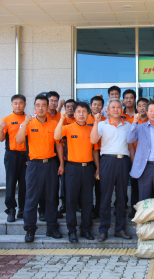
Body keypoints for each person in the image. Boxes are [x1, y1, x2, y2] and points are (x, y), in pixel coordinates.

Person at [16, 94, 64, 243]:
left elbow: (58, 144)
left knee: (51, 197)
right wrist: (25, 123)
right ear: (34, 107)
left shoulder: (53, 123)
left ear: (48, 106)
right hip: (34, 165)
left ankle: (51, 227)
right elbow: (19, 140)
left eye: (44, 105)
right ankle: (30, 229)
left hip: (50, 164)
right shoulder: (28, 123)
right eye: (38, 105)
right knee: (32, 198)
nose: (41, 107)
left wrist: (61, 163)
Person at [91, 98, 135, 242]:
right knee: (105, 196)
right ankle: (103, 230)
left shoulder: (128, 125)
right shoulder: (102, 124)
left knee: (122, 197)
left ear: (122, 110)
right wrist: (96, 122)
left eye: (118, 107)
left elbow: (131, 146)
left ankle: (119, 229)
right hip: (107, 161)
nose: (116, 109)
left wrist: (133, 165)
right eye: (113, 107)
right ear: (107, 110)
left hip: (123, 161)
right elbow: (93, 140)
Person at [54, 102, 99, 243]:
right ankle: (72, 231)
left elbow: (95, 150)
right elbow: (56, 137)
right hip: (72, 168)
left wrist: (97, 167)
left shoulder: (92, 129)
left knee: (87, 201)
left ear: (87, 113)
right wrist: (61, 118)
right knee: (71, 200)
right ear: (74, 113)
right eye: (78, 111)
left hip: (88, 168)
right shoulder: (68, 128)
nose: (81, 114)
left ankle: (86, 229)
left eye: (84, 111)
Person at [0, 94, 28, 222]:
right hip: (12, 155)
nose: (18, 105)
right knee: (10, 182)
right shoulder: (7, 119)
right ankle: (11, 209)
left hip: (26, 155)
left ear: (25, 104)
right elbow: (0, 138)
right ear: (12, 105)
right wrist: (1, 128)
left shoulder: (29, 119)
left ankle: (23, 209)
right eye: (15, 103)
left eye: (20, 103)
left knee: (24, 183)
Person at [127, 97, 149, 219]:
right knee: (135, 186)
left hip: (149, 160)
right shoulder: (133, 121)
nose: (142, 108)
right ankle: (134, 209)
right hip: (135, 158)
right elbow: (130, 144)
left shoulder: (152, 121)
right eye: (139, 105)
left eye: (144, 105)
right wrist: (134, 161)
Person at [87, 95, 106, 219]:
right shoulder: (84, 119)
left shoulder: (106, 120)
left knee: (100, 185)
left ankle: (99, 209)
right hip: (87, 155)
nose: (96, 107)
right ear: (90, 106)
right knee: (87, 185)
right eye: (94, 104)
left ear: (102, 107)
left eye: (99, 105)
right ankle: (88, 209)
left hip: (102, 155)